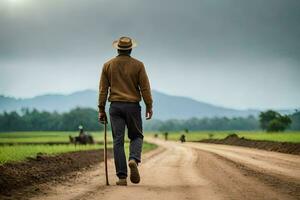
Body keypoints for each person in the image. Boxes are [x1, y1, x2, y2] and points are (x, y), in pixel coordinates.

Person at [98, 36, 153, 186]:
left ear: (118, 49)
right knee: (136, 136)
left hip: (115, 107)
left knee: (118, 141)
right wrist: (149, 105)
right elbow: (145, 88)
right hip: (133, 106)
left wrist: (101, 109)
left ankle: (122, 177)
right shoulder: (138, 65)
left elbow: (103, 90)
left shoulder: (107, 65)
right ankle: (133, 159)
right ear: (130, 49)